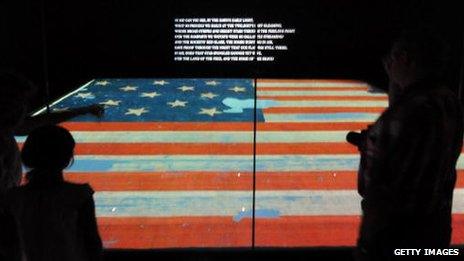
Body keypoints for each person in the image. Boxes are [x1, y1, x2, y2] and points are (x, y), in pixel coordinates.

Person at [351, 32, 464, 260]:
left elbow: (376, 190)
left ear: (405, 58)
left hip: (395, 235)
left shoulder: (403, 115)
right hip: (435, 229)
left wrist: (366, 246)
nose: (388, 65)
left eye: (393, 58)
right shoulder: (449, 101)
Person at [3, 125, 102, 261]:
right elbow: (92, 246)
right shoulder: (80, 196)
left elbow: (9, 246)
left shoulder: (13, 198)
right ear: (67, 158)